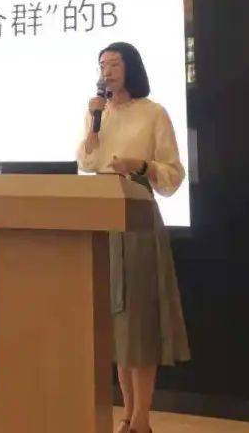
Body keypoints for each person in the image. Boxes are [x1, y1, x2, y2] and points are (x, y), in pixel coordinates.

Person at [76, 41, 190, 433]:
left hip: (138, 221)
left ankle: (142, 418)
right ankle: (126, 414)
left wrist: (139, 165)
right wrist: (93, 126)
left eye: (113, 64)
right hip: (102, 222)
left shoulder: (153, 113)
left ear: (130, 68)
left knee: (138, 322)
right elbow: (87, 162)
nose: (106, 71)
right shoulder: (98, 113)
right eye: (102, 64)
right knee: (116, 326)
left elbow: (173, 174)